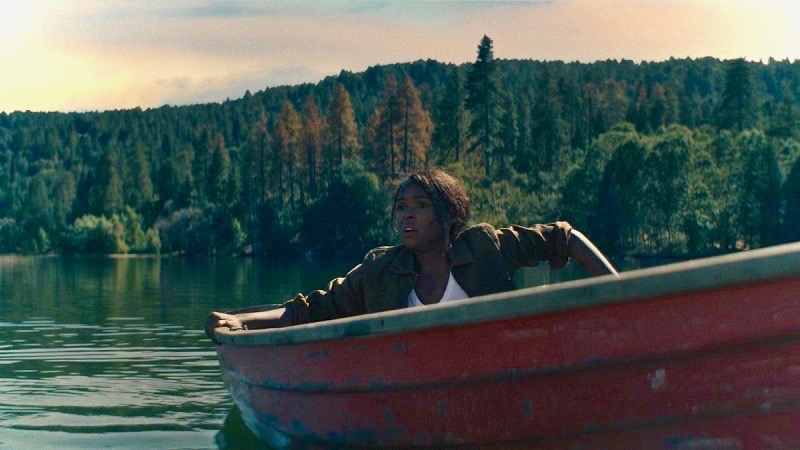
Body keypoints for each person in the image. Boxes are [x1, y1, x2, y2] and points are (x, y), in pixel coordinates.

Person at [206, 168, 617, 341]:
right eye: (401, 207)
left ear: (447, 213)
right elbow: (308, 310)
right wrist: (239, 321)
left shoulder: (485, 246)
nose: (407, 215)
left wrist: (620, 294)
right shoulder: (382, 270)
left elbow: (567, 238)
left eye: (419, 206)